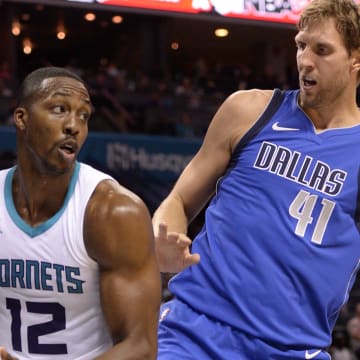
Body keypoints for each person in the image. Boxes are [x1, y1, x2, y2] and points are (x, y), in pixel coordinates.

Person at [152, 0, 360, 358]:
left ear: (356, 59)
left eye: (322, 50)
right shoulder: (248, 110)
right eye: (301, 45)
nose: (305, 60)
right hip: (194, 330)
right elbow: (178, 202)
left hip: (292, 348)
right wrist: (163, 236)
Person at [0, 66, 162, 359]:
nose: (74, 125)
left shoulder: (113, 212)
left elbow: (140, 348)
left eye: (84, 115)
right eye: (60, 109)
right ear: (21, 118)